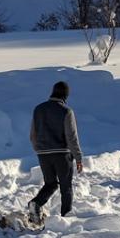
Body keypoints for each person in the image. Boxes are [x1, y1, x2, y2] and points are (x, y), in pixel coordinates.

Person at [27, 81, 83, 221]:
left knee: (50, 184)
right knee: (66, 187)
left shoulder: (38, 109)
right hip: (62, 154)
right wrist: (78, 157)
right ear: (65, 95)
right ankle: (65, 218)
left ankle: (36, 203)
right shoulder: (66, 111)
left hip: (43, 154)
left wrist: (39, 150)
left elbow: (33, 134)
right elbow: (71, 137)